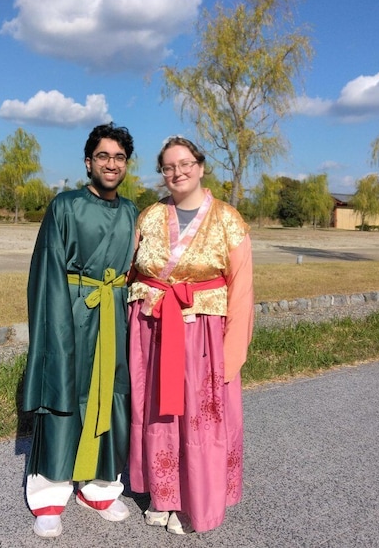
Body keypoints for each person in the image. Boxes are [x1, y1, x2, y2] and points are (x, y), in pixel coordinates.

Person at [127, 136, 255, 534]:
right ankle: (163, 495)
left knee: (198, 418)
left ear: (200, 166)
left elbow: (242, 288)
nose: (177, 172)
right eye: (168, 167)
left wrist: (232, 353)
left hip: (202, 335)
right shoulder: (149, 216)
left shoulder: (227, 219)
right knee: (157, 413)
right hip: (152, 330)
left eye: (184, 164)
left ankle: (193, 500)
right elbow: (131, 270)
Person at [22, 122, 139, 538]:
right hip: (71, 310)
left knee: (110, 395)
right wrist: (55, 326)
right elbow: (47, 269)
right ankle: (50, 495)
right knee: (64, 391)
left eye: (119, 157)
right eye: (103, 156)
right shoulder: (65, 205)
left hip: (112, 313)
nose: (111, 164)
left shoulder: (130, 212)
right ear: (88, 162)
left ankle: (100, 488)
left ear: (126, 165)